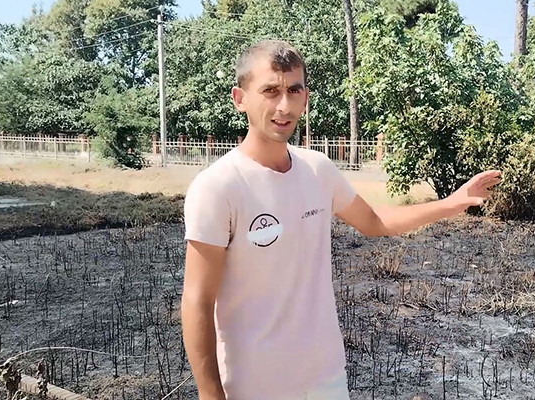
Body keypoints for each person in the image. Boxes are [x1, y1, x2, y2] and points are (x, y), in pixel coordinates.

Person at [181, 40, 501, 400]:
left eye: (294, 90)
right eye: (270, 91)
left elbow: (373, 220)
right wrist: (210, 394)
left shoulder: (318, 170)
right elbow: (197, 300)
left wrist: (449, 204)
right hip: (253, 385)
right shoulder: (218, 187)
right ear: (240, 98)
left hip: (325, 379)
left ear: (305, 97)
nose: (284, 105)